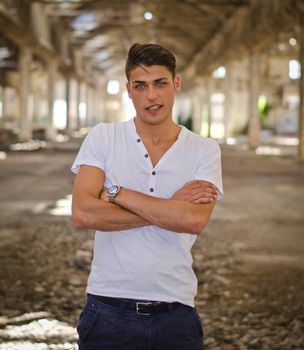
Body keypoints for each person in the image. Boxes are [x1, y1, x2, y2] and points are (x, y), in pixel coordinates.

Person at [71, 43, 223, 350]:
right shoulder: (104, 136)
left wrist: (115, 193)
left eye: (160, 83)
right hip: (107, 308)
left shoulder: (204, 149)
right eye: (140, 86)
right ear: (128, 90)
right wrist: (169, 208)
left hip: (175, 312)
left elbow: (193, 220)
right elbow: (83, 213)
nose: (152, 96)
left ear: (176, 84)